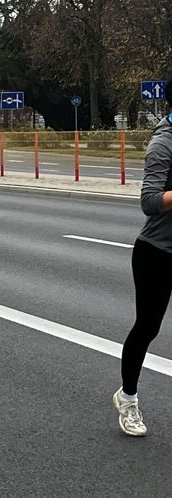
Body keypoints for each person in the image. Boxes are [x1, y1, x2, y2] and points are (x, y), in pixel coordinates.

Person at [113, 82, 172, 437]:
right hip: (157, 253)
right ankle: (128, 398)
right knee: (147, 328)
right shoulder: (163, 143)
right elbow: (149, 202)